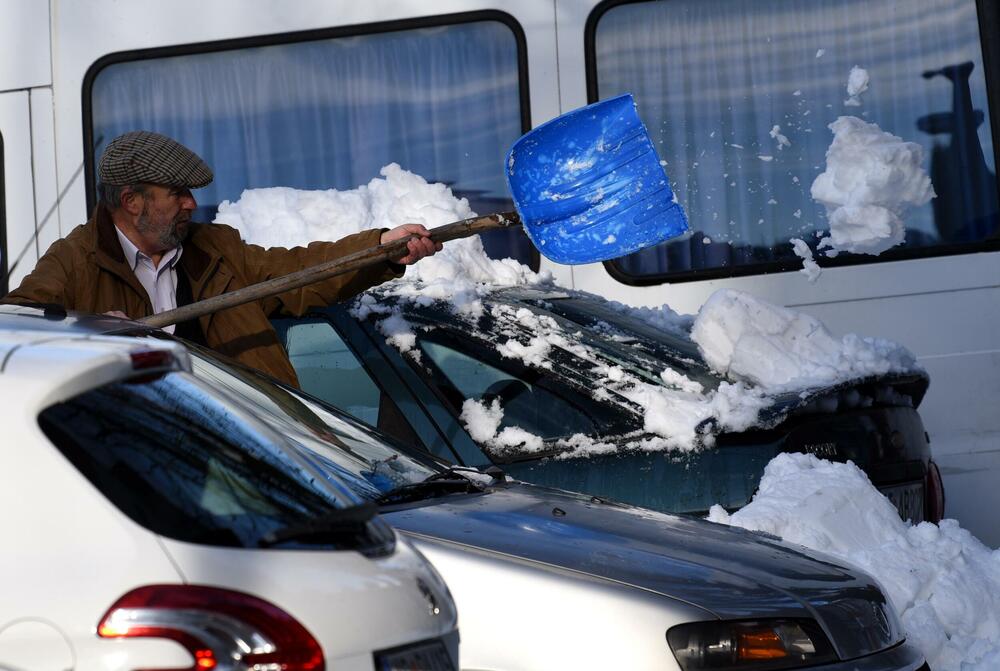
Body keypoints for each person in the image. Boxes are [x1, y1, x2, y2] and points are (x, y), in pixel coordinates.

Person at [2, 130, 441, 387]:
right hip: (140, 463)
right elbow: (16, 326)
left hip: (249, 444)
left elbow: (302, 271)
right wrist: (86, 331)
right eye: (177, 194)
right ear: (131, 201)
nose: (191, 205)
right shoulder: (75, 262)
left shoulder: (215, 249)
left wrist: (383, 246)